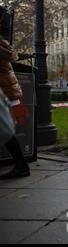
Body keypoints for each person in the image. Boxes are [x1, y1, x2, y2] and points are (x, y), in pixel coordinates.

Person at [0, 39, 30, 179]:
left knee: (4, 129)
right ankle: (21, 164)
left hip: (4, 89)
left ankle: (21, 165)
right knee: (3, 129)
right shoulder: (3, 44)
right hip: (6, 89)